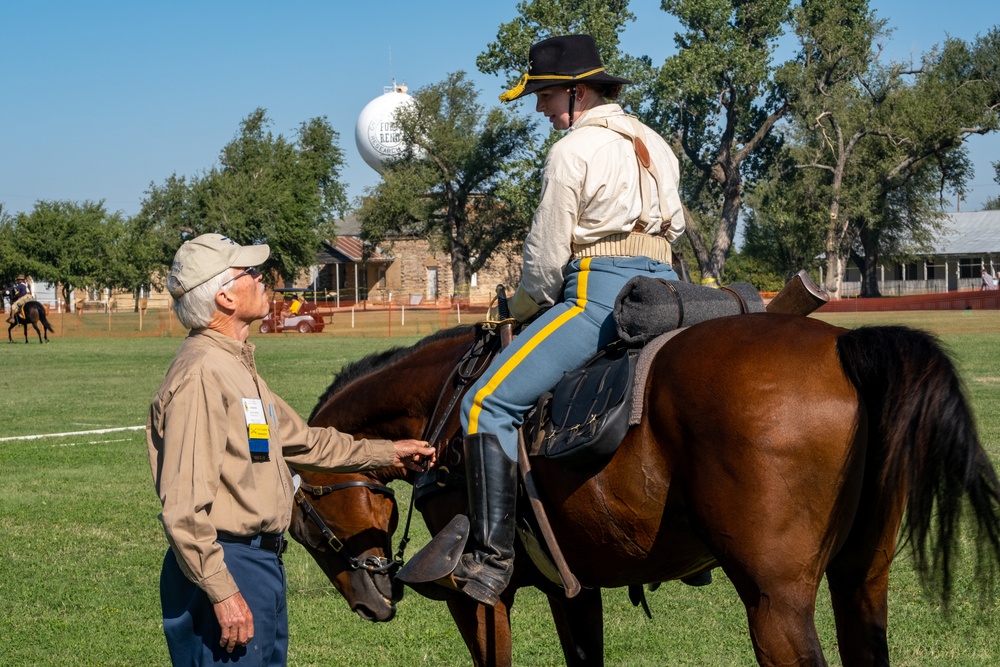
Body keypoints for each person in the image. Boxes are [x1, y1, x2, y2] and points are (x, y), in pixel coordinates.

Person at [399, 34, 686, 606]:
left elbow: (546, 261)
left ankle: (491, 558)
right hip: (669, 293)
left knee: (485, 404)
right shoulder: (654, 141)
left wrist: (520, 305)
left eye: (546, 96)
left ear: (578, 93)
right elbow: (673, 227)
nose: (539, 109)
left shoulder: (571, 151)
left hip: (600, 295)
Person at [147, 233, 435, 665]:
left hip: (257, 565)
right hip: (226, 566)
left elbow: (303, 441)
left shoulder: (233, 365)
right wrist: (223, 593)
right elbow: (184, 510)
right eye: (249, 272)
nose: (262, 277)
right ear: (224, 296)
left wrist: (388, 453)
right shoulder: (204, 374)